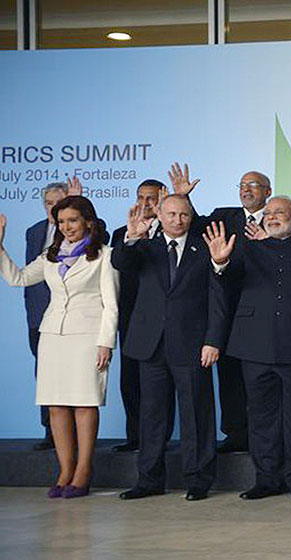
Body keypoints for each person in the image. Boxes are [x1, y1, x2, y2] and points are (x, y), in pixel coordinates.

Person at [205, 196, 291, 500]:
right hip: (254, 347)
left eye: (280, 212)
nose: (272, 216)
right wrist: (219, 263)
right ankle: (267, 479)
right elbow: (225, 289)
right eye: (268, 213)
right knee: (261, 417)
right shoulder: (246, 247)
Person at [0, 195, 119, 499]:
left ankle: (83, 470)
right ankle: (65, 470)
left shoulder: (105, 255)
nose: (67, 227)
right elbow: (18, 279)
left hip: (87, 338)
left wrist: (106, 342)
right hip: (52, 336)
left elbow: (111, 305)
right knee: (55, 405)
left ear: (88, 222)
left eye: (73, 220)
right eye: (61, 221)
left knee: (84, 403)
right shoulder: (50, 257)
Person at [112, 193, 227, 502]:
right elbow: (120, 262)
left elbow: (218, 297)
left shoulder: (205, 247)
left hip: (192, 345)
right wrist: (132, 238)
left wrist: (213, 340)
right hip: (150, 346)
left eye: (184, 215)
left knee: (197, 415)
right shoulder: (144, 246)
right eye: (172, 214)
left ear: (191, 217)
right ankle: (149, 480)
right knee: (152, 416)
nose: (178, 220)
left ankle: (198, 479)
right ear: (159, 215)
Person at [193, 166, 273, 454]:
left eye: (253, 184)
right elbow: (191, 227)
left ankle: (264, 434)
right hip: (228, 310)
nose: (246, 189)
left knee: (263, 378)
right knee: (230, 376)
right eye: (242, 185)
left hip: (267, 312)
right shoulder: (224, 217)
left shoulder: (280, 217)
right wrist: (183, 197)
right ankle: (236, 433)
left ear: (268, 192)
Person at [109, 178, 170, 453]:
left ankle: (161, 438)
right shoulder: (123, 232)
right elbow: (120, 265)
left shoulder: (172, 230)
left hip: (166, 319)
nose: (145, 204)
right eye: (141, 198)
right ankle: (135, 436)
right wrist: (134, 237)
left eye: (152, 198)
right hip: (132, 317)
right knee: (130, 378)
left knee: (162, 382)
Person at [23, 182, 68, 451]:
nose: (54, 207)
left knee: (71, 376)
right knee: (45, 376)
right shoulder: (34, 231)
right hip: (39, 318)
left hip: (71, 318)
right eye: (49, 203)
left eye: (59, 202)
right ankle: (50, 432)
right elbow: (29, 276)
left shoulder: (80, 229)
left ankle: (71, 432)